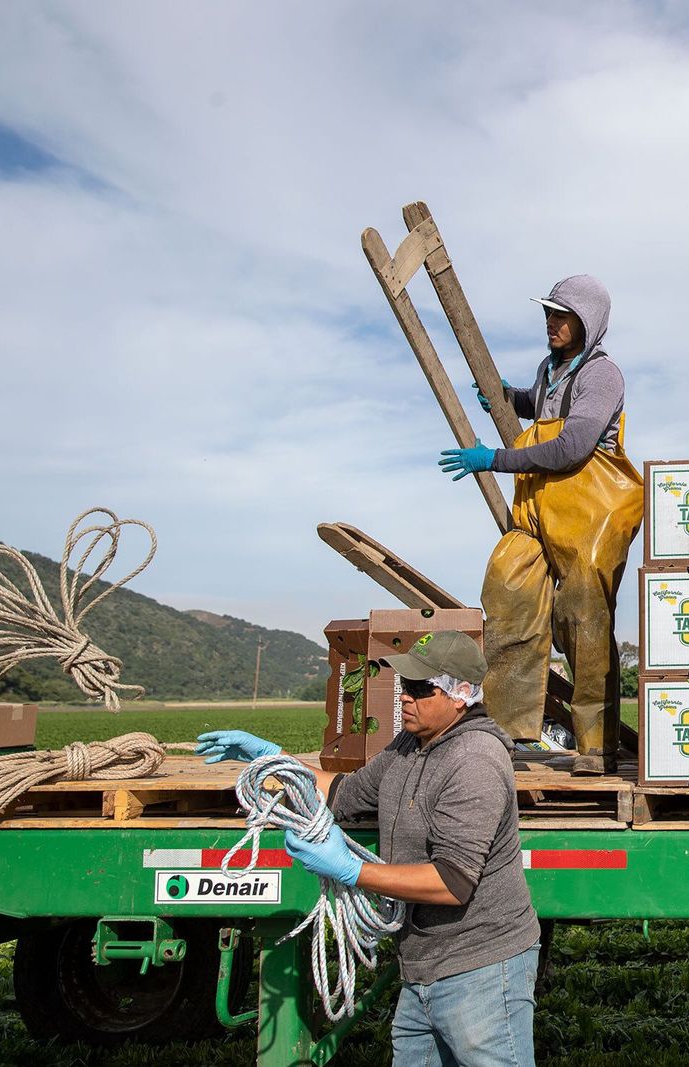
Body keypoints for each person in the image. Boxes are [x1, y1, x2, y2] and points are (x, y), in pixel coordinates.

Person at [195, 631, 538, 1067]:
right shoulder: (409, 747)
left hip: (480, 970)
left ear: (462, 694)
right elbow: (341, 794)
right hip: (422, 967)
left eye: (418, 688)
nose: (404, 699)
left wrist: (350, 869)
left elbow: (452, 883)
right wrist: (270, 758)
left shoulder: (475, 761)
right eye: (402, 686)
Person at [439, 275, 643, 774]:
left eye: (561, 316)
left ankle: (596, 747)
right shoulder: (551, 368)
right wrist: (510, 398)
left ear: (586, 322)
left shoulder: (602, 375)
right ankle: (504, 734)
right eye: (548, 314)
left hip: (592, 513)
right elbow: (543, 403)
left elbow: (572, 446)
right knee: (507, 591)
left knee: (582, 618)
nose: (551, 324)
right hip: (539, 509)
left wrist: (495, 458)